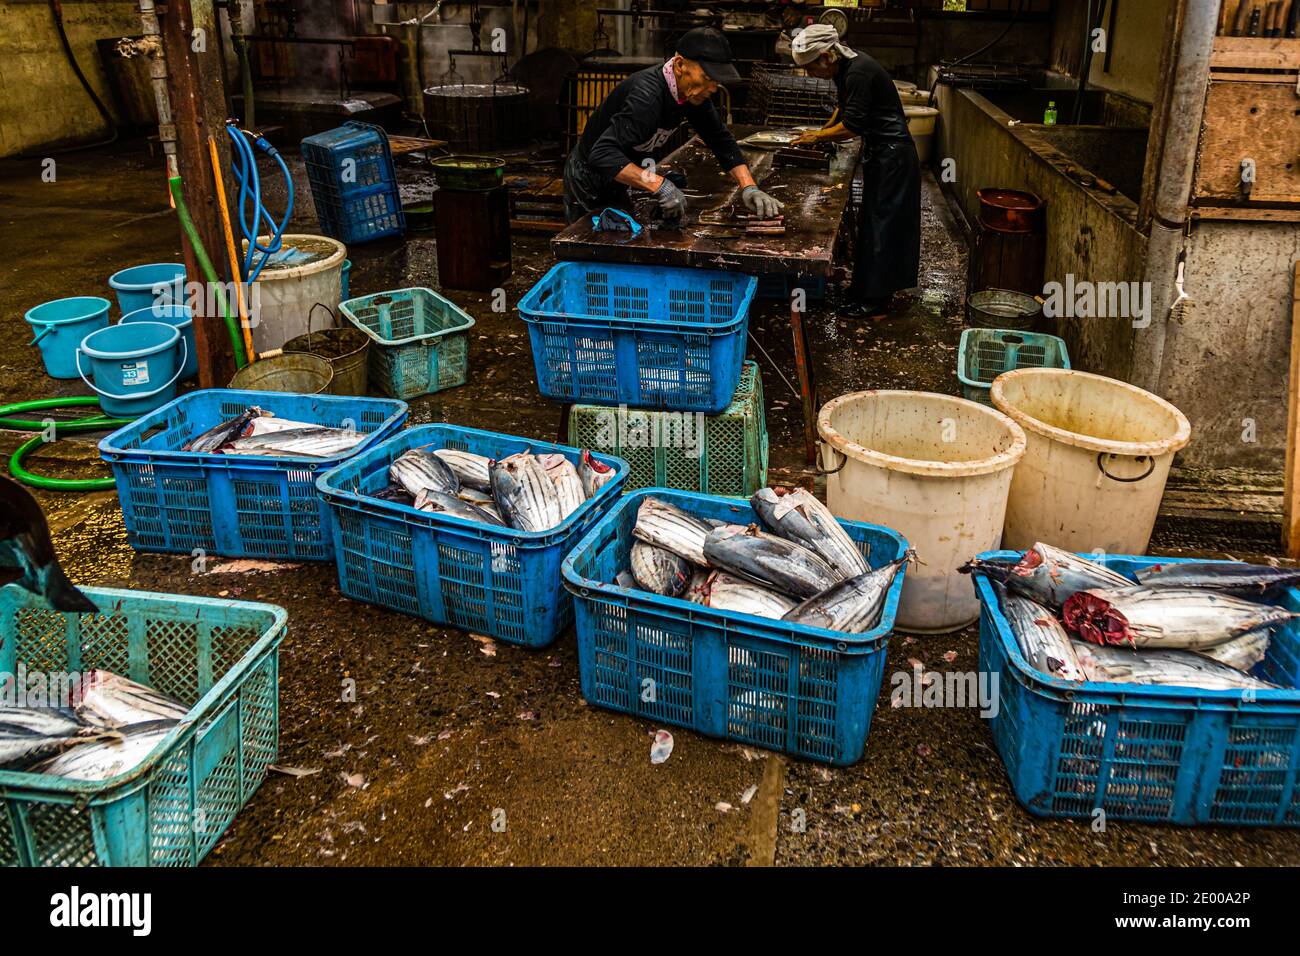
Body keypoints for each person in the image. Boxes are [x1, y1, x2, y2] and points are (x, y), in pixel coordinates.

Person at [563, 27, 782, 226]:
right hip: (589, 177)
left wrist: (749, 186)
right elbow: (602, 154)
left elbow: (720, 139)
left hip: (624, 173)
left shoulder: (692, 94)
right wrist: (660, 185)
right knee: (586, 242)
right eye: (707, 78)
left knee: (624, 235)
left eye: (716, 81)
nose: (713, 88)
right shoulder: (647, 97)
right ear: (679, 65)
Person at [789, 24, 921, 319]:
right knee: (872, 223)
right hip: (881, 153)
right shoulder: (846, 69)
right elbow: (843, 109)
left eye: (810, 68)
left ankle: (875, 302)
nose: (810, 75)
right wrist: (821, 132)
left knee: (882, 227)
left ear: (826, 56)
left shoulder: (858, 71)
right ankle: (865, 290)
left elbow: (852, 126)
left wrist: (818, 137)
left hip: (893, 156)